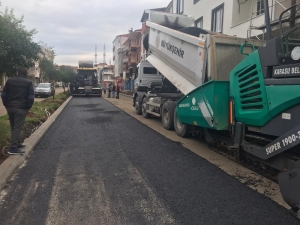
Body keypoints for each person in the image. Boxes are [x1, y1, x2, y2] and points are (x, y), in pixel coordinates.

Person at [1, 67, 34, 155]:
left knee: (14, 126)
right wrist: (28, 107)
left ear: (17, 73)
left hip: (10, 107)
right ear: (25, 74)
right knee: (17, 127)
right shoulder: (29, 83)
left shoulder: (9, 81)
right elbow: (31, 97)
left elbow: (3, 94)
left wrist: (6, 105)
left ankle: (17, 143)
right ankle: (13, 148)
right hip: (21, 108)